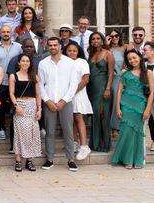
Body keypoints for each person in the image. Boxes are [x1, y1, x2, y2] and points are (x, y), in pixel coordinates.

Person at [38, 37, 79, 171]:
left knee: (68, 131)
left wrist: (64, 100)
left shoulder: (70, 63)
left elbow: (73, 84)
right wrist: (47, 100)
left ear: (60, 46)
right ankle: (49, 159)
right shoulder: (43, 63)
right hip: (49, 101)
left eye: (55, 45)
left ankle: (71, 159)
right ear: (47, 47)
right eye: (50, 45)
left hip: (65, 102)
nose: (52, 47)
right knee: (49, 132)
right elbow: (40, 84)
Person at [112, 49, 154, 169]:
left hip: (140, 106)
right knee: (126, 133)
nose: (132, 60)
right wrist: (118, 108)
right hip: (126, 106)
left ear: (140, 57)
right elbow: (119, 91)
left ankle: (137, 160)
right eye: (130, 59)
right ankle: (127, 159)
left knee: (137, 133)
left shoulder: (148, 73)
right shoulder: (125, 73)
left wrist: (147, 109)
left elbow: (152, 93)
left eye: (134, 57)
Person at [9, 54, 41, 172]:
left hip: (32, 106)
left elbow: (38, 94)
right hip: (20, 106)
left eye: (27, 61)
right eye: (23, 61)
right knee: (20, 134)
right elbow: (11, 93)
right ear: (19, 63)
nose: (25, 63)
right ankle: (18, 161)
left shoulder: (34, 77)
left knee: (32, 134)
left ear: (30, 63)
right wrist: (16, 105)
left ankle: (29, 161)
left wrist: (39, 109)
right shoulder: (14, 76)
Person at [0, 24, 23, 142]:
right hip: (0, 83)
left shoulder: (18, 47)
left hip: (15, 82)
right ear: (0, 33)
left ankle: (15, 131)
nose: (6, 33)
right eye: (3, 32)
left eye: (8, 32)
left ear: (11, 33)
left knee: (15, 107)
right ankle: (1, 129)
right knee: (0, 108)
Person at [64, 42, 93, 161]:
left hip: (78, 94)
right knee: (71, 119)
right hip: (67, 95)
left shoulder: (82, 62)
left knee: (79, 118)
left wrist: (73, 91)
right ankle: (74, 142)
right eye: (69, 50)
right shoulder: (64, 62)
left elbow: (85, 79)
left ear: (78, 51)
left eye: (74, 50)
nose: (72, 52)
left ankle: (84, 146)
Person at [87, 31, 115, 153]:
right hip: (92, 89)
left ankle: (104, 144)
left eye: (98, 38)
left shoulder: (108, 53)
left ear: (102, 40)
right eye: (93, 39)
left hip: (103, 88)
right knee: (95, 115)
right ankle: (95, 143)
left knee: (103, 115)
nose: (95, 41)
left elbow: (111, 73)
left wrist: (108, 88)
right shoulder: (90, 54)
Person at [107, 29, 127, 136]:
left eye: (116, 36)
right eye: (111, 36)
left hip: (120, 78)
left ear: (119, 37)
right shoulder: (107, 49)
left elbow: (127, 62)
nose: (114, 38)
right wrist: (106, 44)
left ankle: (116, 127)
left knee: (117, 102)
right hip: (108, 78)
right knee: (109, 102)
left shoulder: (124, 48)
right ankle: (109, 127)